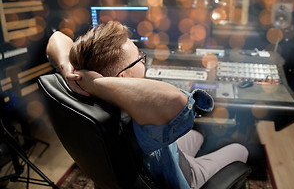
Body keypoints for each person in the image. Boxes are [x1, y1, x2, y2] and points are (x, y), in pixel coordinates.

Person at [46, 21, 249, 189]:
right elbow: (177, 100)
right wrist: (98, 82)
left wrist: (68, 68)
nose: (144, 61)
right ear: (121, 78)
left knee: (196, 135)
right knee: (241, 149)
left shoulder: (86, 90)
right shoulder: (135, 117)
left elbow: (56, 38)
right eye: (140, 59)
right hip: (182, 178)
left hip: (161, 156)